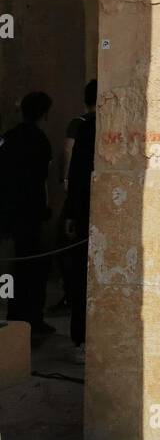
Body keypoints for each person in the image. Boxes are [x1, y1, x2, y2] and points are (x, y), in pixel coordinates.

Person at [0, 92, 55, 342]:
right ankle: (32, 318)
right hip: (31, 213)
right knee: (34, 268)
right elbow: (42, 181)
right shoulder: (40, 140)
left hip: (10, 213)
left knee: (13, 267)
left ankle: (12, 314)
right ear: (44, 113)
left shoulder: (8, 139)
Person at [62, 80, 96, 358]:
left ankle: (81, 340)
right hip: (93, 209)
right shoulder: (92, 125)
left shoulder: (85, 125)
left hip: (84, 209)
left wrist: (71, 212)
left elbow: (75, 170)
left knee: (81, 275)